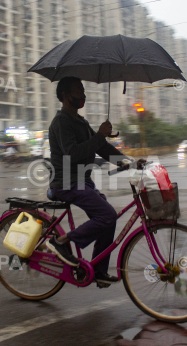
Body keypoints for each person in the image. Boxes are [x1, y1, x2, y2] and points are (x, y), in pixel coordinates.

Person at [45, 76, 132, 285]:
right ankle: (60, 241)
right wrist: (100, 136)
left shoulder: (80, 121)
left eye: (83, 90)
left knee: (108, 217)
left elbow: (100, 147)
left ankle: (98, 270)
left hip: (81, 181)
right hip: (66, 182)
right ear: (66, 96)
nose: (83, 95)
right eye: (79, 91)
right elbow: (72, 153)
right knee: (107, 214)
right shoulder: (61, 122)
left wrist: (128, 162)